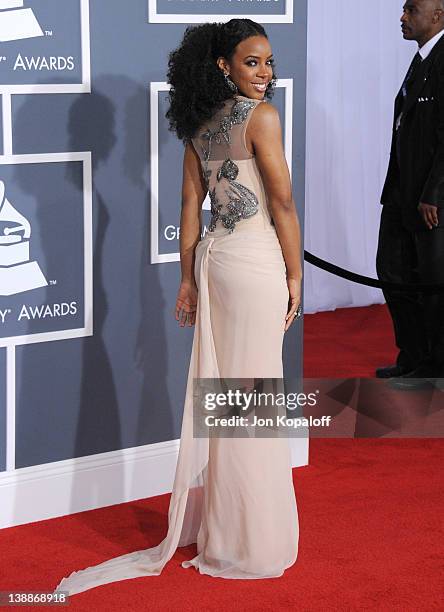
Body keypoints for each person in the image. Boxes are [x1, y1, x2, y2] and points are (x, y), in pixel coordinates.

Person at [53, 18, 302, 595]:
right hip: (255, 263)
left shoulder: (200, 123)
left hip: (216, 263)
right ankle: (252, 541)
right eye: (251, 63)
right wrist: (295, 273)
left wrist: (187, 279)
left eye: (268, 62)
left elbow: (190, 206)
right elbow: (283, 203)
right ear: (223, 66)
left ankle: (226, 531)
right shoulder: (261, 118)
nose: (265, 74)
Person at [376, 0, 444, 390]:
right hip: (401, 196)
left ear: (437, 15)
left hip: (431, 201)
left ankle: (434, 369)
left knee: (432, 283)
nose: (403, 17)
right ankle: (414, 358)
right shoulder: (421, 60)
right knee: (393, 272)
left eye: (411, 9)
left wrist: (433, 192)